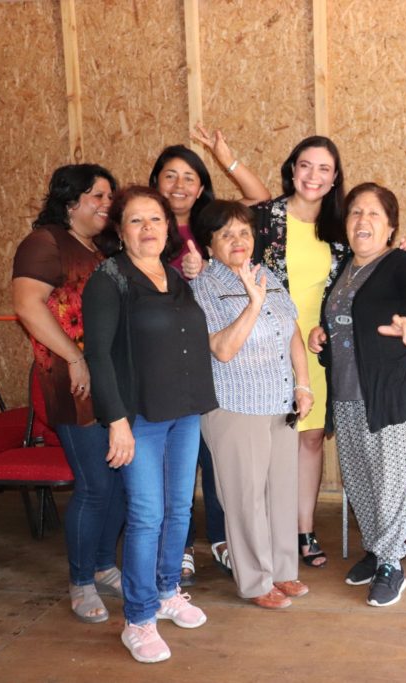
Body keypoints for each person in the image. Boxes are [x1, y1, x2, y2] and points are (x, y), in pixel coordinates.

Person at [188, 135, 348, 568]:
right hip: (260, 340)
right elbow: (231, 227)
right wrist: (227, 158)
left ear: (335, 178)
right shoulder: (268, 217)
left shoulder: (339, 225)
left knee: (309, 438)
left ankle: (302, 530)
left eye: (324, 168)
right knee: (261, 447)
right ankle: (258, 547)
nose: (313, 176)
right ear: (292, 169)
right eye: (305, 165)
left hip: (318, 342)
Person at [83, 186, 218, 664]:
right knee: (146, 515)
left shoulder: (175, 276)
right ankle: (138, 619)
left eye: (156, 219)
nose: (148, 229)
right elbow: (98, 356)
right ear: (120, 231)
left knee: (179, 509)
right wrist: (116, 421)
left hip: (184, 410)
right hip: (138, 416)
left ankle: (166, 591)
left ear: (168, 227)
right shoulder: (109, 279)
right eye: (136, 221)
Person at [149, 128, 271, 584]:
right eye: (170, 176)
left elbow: (260, 201)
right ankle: (180, 544)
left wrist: (226, 157)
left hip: (213, 359)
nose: (179, 185)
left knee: (213, 454)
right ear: (156, 182)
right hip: (163, 358)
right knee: (174, 457)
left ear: (202, 186)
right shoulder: (145, 223)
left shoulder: (210, 224)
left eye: (190, 177)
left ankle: (220, 537)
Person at [12, 164, 125, 623]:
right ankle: (81, 580)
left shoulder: (97, 249)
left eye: (110, 196)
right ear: (71, 201)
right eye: (98, 195)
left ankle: (103, 565)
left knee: (117, 483)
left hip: (108, 380)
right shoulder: (46, 242)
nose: (107, 204)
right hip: (72, 383)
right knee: (95, 485)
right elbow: (27, 305)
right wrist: (75, 358)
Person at [190, 200, 313, 611]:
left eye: (243, 232)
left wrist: (303, 384)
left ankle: (283, 569)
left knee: (281, 491)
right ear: (209, 245)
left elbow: (292, 332)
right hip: (235, 406)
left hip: (280, 402)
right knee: (245, 498)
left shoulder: (267, 275)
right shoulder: (203, 286)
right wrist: (252, 303)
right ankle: (255, 580)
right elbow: (222, 349)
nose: (238, 241)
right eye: (226, 234)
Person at [307, 183, 406, 607]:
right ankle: (377, 550)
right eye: (356, 212)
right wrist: (320, 334)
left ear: (390, 226)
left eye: (374, 213)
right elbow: (340, 322)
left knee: (391, 482)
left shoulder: (401, 264)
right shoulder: (344, 269)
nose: (363, 220)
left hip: (388, 393)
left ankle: (393, 563)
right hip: (346, 392)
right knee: (360, 479)